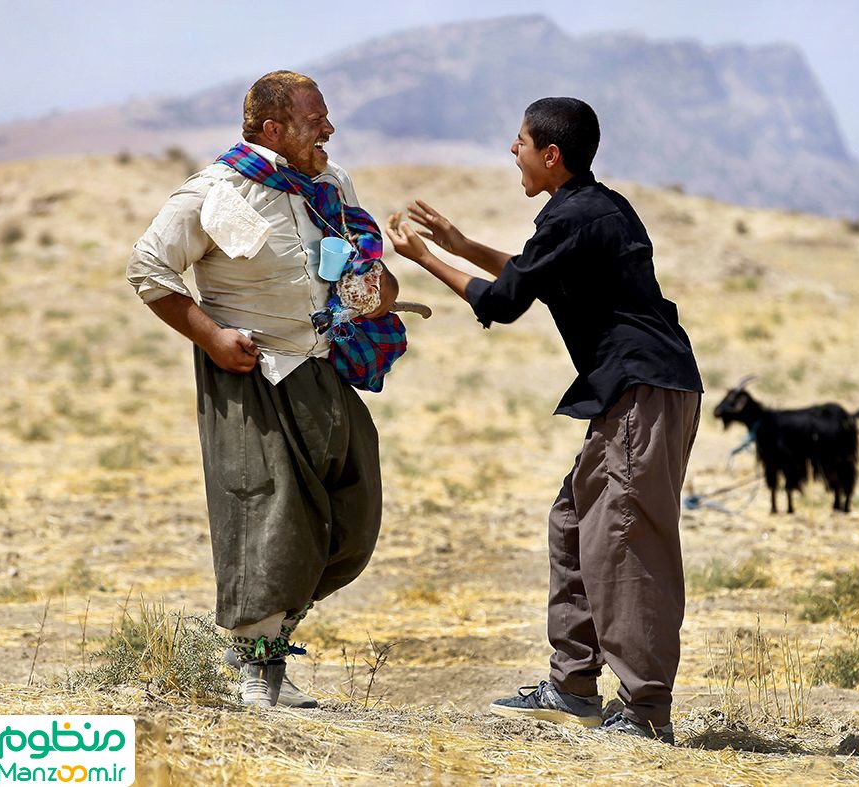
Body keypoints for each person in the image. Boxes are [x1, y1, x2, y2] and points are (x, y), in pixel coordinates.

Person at [385, 97, 702, 744]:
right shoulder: (587, 208)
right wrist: (459, 244)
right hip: (635, 389)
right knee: (574, 521)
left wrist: (422, 258)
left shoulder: (576, 214)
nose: (512, 151)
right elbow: (536, 280)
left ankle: (645, 709)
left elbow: (502, 303)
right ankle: (573, 684)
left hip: (643, 390)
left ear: (550, 155)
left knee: (623, 540)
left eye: (520, 141)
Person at [126, 70, 403, 708]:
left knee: (352, 520)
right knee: (265, 517)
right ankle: (258, 670)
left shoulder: (329, 187)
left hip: (328, 366)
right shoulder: (215, 190)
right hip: (253, 371)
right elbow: (149, 268)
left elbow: (361, 268)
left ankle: (271, 639)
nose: (329, 130)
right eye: (316, 120)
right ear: (273, 129)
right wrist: (211, 337)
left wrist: (375, 289)